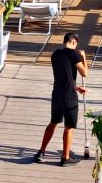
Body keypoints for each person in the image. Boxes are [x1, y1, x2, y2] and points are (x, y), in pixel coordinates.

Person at [35, 33, 88, 165]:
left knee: (53, 122)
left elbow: (64, 76)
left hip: (57, 94)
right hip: (69, 96)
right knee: (69, 126)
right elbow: (84, 73)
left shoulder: (55, 54)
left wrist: (76, 87)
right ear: (74, 42)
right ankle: (65, 157)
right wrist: (83, 57)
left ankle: (41, 151)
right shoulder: (74, 53)